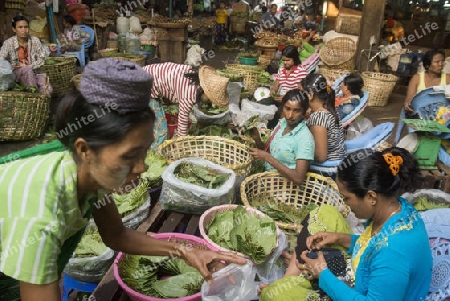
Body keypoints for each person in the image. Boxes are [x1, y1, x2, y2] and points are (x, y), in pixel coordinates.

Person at [0, 58, 245, 301]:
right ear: (85, 150)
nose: (141, 167)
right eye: (129, 156)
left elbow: (116, 235)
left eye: (145, 150)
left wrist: (187, 251)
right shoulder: (40, 214)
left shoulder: (88, 174)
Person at [259, 147, 432, 301]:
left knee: (274, 295)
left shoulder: (393, 252)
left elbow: (380, 253)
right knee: (325, 213)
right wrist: (341, 238)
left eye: (346, 198)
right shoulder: (395, 207)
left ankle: (290, 284)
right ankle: (291, 279)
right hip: (362, 273)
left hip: (362, 292)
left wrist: (323, 274)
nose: (345, 204)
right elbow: (370, 245)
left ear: (371, 197)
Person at [143, 63, 229, 139]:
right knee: (161, 131)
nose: (209, 102)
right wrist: (182, 140)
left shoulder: (191, 73)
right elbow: (182, 119)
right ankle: (156, 150)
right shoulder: (190, 94)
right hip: (144, 85)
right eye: (210, 99)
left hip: (147, 74)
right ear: (205, 92)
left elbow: (174, 84)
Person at [249, 89, 315, 185]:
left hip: (284, 188)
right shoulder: (282, 124)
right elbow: (269, 151)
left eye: (296, 110)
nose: (289, 115)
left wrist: (267, 158)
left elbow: (298, 178)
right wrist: (257, 139)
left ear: (304, 112)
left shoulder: (305, 138)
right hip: (267, 178)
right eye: (287, 108)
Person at [302, 73, 346, 163]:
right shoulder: (329, 107)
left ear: (310, 95)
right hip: (339, 157)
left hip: (327, 167)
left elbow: (320, 157)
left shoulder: (318, 118)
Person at [0, 15, 48, 92]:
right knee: (27, 70)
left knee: (47, 90)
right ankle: (33, 94)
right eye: (20, 27)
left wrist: (30, 66)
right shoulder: (8, 43)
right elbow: (1, 60)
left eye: (26, 27)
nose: (24, 30)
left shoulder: (35, 40)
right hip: (16, 75)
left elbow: (42, 58)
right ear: (14, 29)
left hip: (35, 71)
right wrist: (12, 67)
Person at [268, 45, 308, 128]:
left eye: (288, 60)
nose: (285, 62)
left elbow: (302, 93)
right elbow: (277, 81)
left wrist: (286, 98)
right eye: (284, 60)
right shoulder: (282, 69)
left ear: (295, 59)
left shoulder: (300, 71)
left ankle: (276, 130)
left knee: (279, 113)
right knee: (264, 102)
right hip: (281, 98)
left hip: (292, 102)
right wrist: (274, 90)